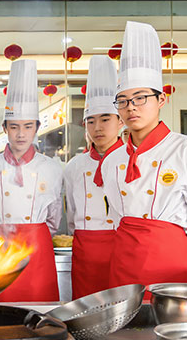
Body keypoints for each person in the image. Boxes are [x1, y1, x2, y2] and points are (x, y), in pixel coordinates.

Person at [101, 21, 187, 297]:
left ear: (161, 100)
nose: (131, 108)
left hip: (172, 265)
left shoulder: (182, 149)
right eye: (123, 101)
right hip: (124, 262)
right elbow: (116, 215)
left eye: (140, 98)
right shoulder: (112, 161)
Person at [0, 59, 62, 302]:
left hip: (38, 250)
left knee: (38, 310)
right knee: (0, 311)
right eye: (14, 127)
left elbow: (54, 218)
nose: (21, 134)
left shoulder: (51, 168)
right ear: (5, 128)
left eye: (27, 126)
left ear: (36, 127)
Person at [64, 55, 124, 299]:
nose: (98, 127)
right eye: (91, 121)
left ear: (121, 121)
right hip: (84, 251)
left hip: (121, 248)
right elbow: (71, 215)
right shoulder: (74, 166)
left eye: (106, 119)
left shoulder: (133, 161)